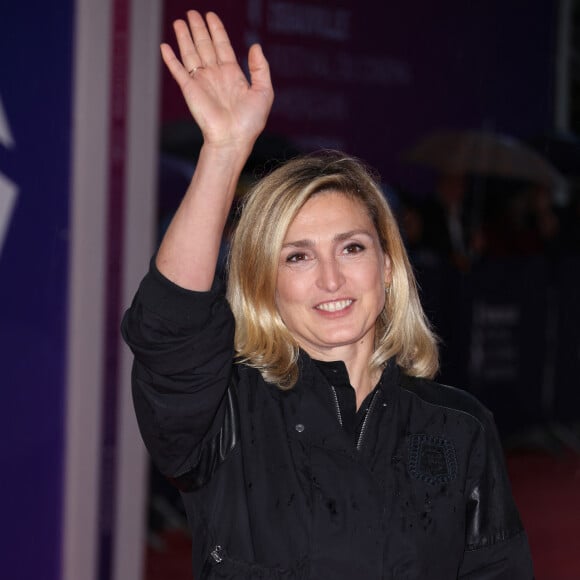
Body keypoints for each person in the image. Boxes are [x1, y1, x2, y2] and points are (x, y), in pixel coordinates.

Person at [121, 10, 534, 579]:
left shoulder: (460, 427)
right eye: (297, 256)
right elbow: (170, 328)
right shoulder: (229, 414)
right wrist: (224, 150)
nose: (331, 279)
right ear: (265, 282)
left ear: (387, 267)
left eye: (352, 248)